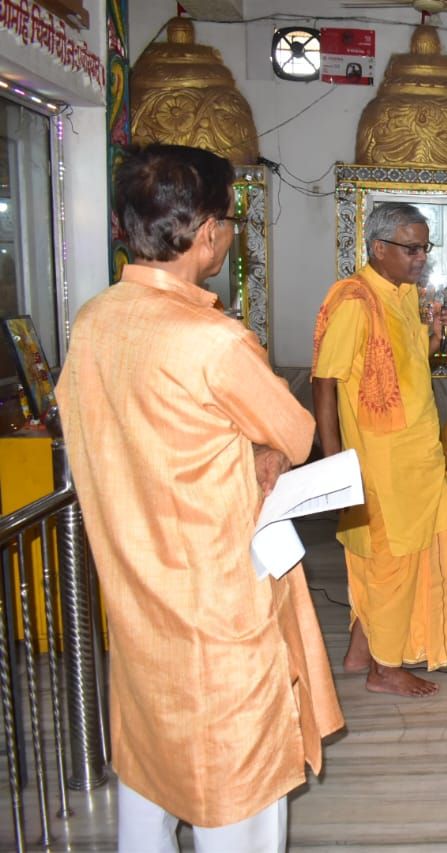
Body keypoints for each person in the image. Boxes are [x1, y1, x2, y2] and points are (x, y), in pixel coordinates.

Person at [58, 143, 343, 848]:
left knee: (149, 781)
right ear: (209, 231)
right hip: (219, 613)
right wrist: (264, 447)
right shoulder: (213, 340)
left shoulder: (93, 321)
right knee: (238, 793)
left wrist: (249, 451)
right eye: (231, 220)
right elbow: (296, 431)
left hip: (137, 597)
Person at [314, 200, 447, 697]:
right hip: (381, 464)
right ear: (379, 248)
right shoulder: (355, 301)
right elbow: (324, 380)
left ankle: (361, 649)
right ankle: (385, 669)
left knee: (384, 559)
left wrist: (439, 333)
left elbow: (415, 359)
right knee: (391, 563)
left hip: (416, 457)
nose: (421, 257)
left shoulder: (402, 296)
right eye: (411, 248)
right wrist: (333, 463)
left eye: (425, 248)